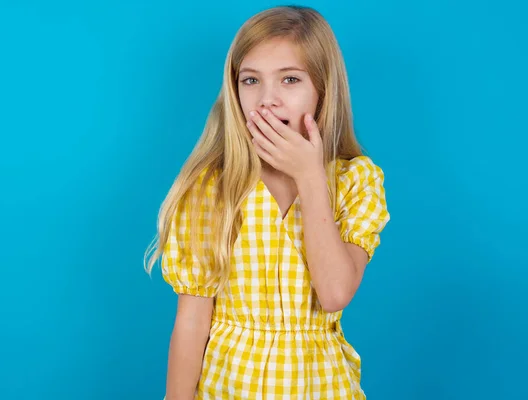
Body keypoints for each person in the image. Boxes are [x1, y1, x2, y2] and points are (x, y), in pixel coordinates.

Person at [144, 5, 390, 399]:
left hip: (321, 386)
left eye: (290, 79)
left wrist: (310, 178)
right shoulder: (211, 187)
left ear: (323, 89)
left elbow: (334, 294)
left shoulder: (355, 181)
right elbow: (192, 322)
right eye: (251, 80)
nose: (267, 100)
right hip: (229, 386)